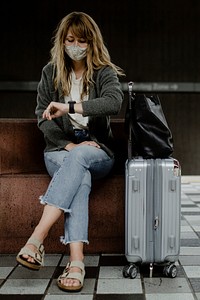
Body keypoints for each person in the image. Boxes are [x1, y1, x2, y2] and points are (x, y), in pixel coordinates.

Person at [16, 11, 124, 292]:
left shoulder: (104, 72)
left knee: (81, 161)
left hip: (97, 150)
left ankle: (37, 238)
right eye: (70, 39)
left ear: (92, 42)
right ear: (62, 41)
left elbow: (113, 102)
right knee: (80, 175)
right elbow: (43, 116)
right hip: (60, 150)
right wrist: (70, 145)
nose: (75, 45)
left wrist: (71, 107)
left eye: (82, 41)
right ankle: (76, 261)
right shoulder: (50, 72)